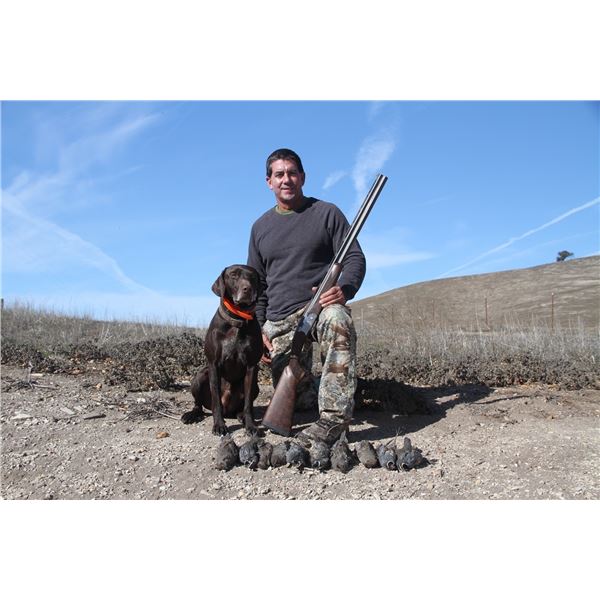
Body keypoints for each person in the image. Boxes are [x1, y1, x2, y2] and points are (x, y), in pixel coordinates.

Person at [247, 148, 366, 447]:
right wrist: (259, 328)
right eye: (279, 174)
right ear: (269, 182)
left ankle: (334, 421)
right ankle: (331, 387)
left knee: (337, 318)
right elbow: (257, 284)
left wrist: (344, 290)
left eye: (292, 173)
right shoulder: (260, 227)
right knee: (298, 403)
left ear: (302, 177)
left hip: (319, 308)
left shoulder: (327, 213)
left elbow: (354, 258)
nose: (286, 179)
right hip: (279, 321)